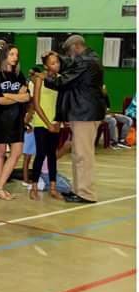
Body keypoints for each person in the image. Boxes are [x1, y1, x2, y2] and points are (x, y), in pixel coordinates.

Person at [44, 34, 106, 203]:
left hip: (85, 114)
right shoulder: (90, 58)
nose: (68, 56)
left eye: (69, 52)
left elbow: (63, 81)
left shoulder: (86, 62)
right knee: (79, 153)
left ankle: (86, 193)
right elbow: (70, 64)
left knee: (83, 155)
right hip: (84, 113)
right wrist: (55, 58)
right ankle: (79, 190)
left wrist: (47, 77)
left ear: (77, 47)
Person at [0, 44, 30, 200]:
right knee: (0, 152)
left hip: (17, 119)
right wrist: (17, 97)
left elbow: (26, 97)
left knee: (16, 152)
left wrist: (8, 95)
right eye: (12, 54)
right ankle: (0, 187)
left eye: (16, 55)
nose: (15, 57)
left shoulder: (19, 75)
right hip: (1, 118)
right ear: (5, 55)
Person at [29, 52, 63, 201]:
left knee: (52, 156)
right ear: (46, 65)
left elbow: (62, 103)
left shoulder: (60, 80)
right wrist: (48, 123)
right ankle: (34, 187)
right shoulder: (39, 79)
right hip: (41, 123)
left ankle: (53, 188)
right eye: (52, 63)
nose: (56, 65)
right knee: (41, 154)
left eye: (57, 62)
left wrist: (58, 122)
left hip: (55, 123)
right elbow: (36, 104)